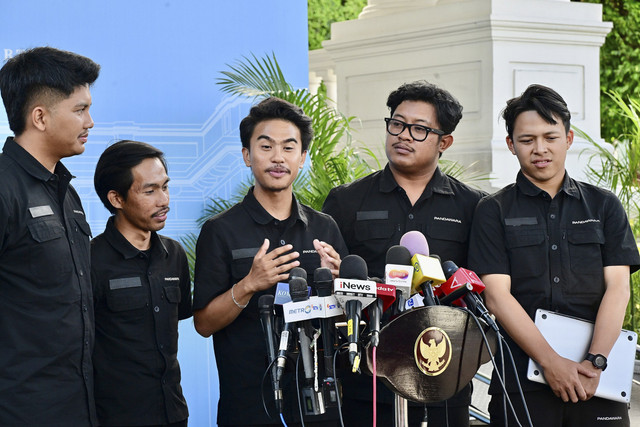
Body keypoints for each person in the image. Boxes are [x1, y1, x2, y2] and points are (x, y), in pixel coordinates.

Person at [467, 84, 640, 427]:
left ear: (569, 138)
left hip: (598, 380)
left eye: (550, 136)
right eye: (527, 140)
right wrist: (550, 362)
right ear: (510, 145)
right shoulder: (493, 211)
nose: (540, 149)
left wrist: (596, 361)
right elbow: (497, 297)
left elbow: (618, 288)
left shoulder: (604, 205)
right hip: (521, 379)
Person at [323, 80, 485, 426]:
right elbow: (332, 285)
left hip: (446, 369)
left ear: (445, 142)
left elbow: (482, 286)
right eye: (396, 123)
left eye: (419, 129)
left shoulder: (473, 206)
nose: (403, 135)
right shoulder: (347, 201)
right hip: (368, 377)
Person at [192, 97, 348, 426]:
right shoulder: (220, 231)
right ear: (247, 155)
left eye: (289, 147)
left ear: (302, 157)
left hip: (318, 401)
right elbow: (204, 324)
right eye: (266, 147)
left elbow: (348, 316)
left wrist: (340, 284)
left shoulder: (325, 228)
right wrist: (249, 284)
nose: (278, 157)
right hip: (249, 404)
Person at [0, 46, 99, 425]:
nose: (90, 121)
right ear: (39, 117)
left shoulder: (67, 192)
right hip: (20, 409)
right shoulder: (5, 188)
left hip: (78, 404)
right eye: (80, 109)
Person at [91, 140, 191, 426]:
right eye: (150, 191)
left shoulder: (175, 255)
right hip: (116, 417)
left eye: (165, 187)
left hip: (173, 413)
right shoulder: (89, 261)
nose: (164, 200)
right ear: (116, 199)